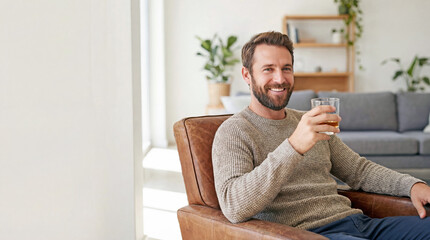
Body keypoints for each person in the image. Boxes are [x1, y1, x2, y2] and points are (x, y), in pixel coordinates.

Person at [212, 31, 430, 240]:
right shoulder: (234, 131)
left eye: (286, 68)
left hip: (358, 224)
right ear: (246, 75)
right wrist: (294, 146)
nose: (280, 78)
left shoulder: (308, 121)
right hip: (310, 234)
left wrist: (411, 185)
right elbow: (234, 207)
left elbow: (359, 171)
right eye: (268, 69)